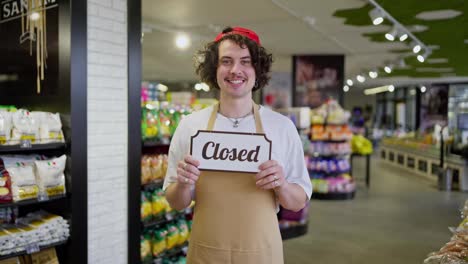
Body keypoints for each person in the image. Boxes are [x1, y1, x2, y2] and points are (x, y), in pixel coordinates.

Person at [163, 26, 312, 264]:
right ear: (214, 68)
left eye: (246, 61)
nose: (235, 70)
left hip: (261, 253)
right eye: (226, 61)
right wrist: (182, 184)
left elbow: (296, 202)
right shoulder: (190, 126)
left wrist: (281, 184)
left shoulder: (281, 128)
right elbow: (176, 202)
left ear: (257, 69)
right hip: (206, 253)